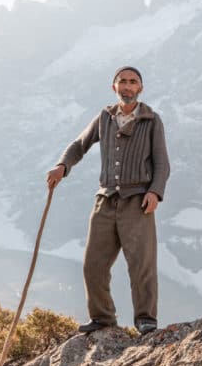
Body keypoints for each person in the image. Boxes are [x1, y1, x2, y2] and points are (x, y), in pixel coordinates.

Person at [46, 66, 170, 335]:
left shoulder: (152, 121)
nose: (127, 86)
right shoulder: (105, 117)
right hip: (105, 200)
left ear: (140, 88)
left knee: (141, 265)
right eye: (122, 82)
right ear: (114, 87)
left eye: (133, 82)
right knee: (93, 264)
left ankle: (146, 319)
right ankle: (102, 318)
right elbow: (79, 144)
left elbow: (162, 163)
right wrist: (62, 166)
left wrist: (154, 192)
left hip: (138, 201)